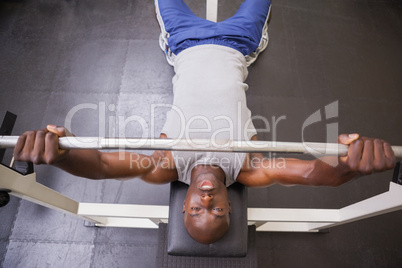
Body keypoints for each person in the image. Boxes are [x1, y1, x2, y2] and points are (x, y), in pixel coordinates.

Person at [13, 0, 396, 244]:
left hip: (183, 43)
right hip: (238, 44)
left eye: (197, 210)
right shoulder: (249, 168)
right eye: (217, 210)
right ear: (232, 206)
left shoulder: (166, 164)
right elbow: (311, 174)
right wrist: (350, 167)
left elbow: (102, 164)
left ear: (184, 207)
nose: (207, 201)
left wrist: (62, 156)